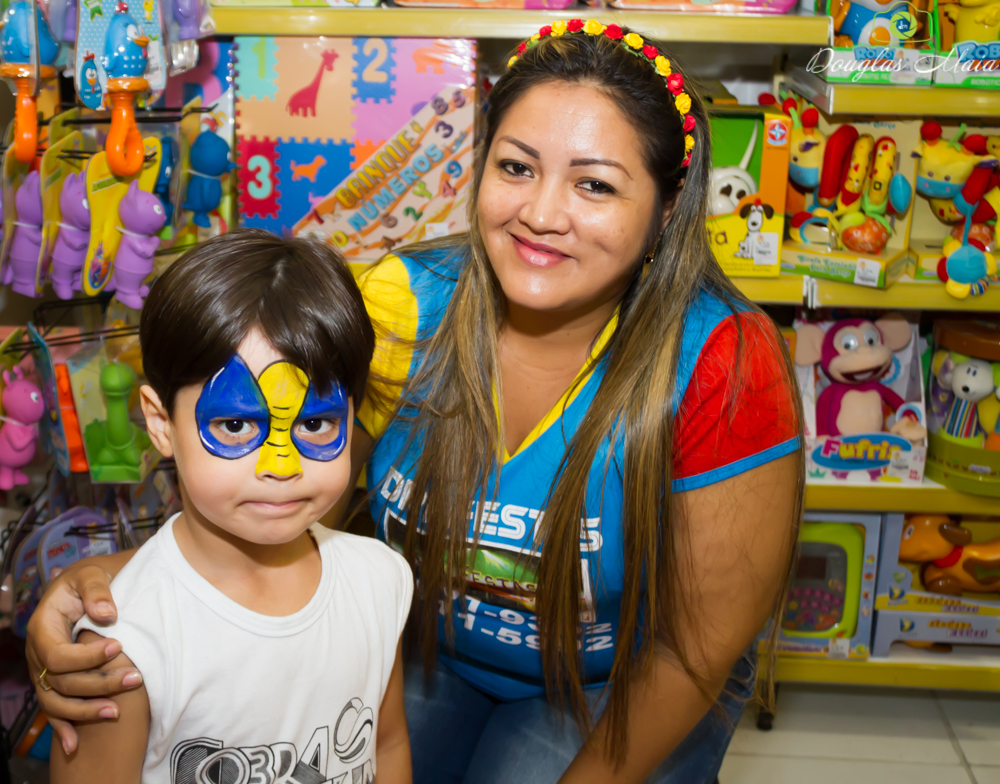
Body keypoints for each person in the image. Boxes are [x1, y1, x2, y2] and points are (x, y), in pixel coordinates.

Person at [28, 21, 802, 784]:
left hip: (625, 680)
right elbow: (275, 473)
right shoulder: (403, 304)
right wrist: (122, 588)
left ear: (667, 208)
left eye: (594, 184)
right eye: (517, 167)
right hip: (431, 650)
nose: (541, 213)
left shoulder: (726, 365)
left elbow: (696, 649)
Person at [48, 231, 413, 784]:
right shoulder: (125, 644)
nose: (281, 465)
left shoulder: (380, 580)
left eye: (316, 423)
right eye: (236, 424)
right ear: (160, 423)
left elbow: (386, 745)